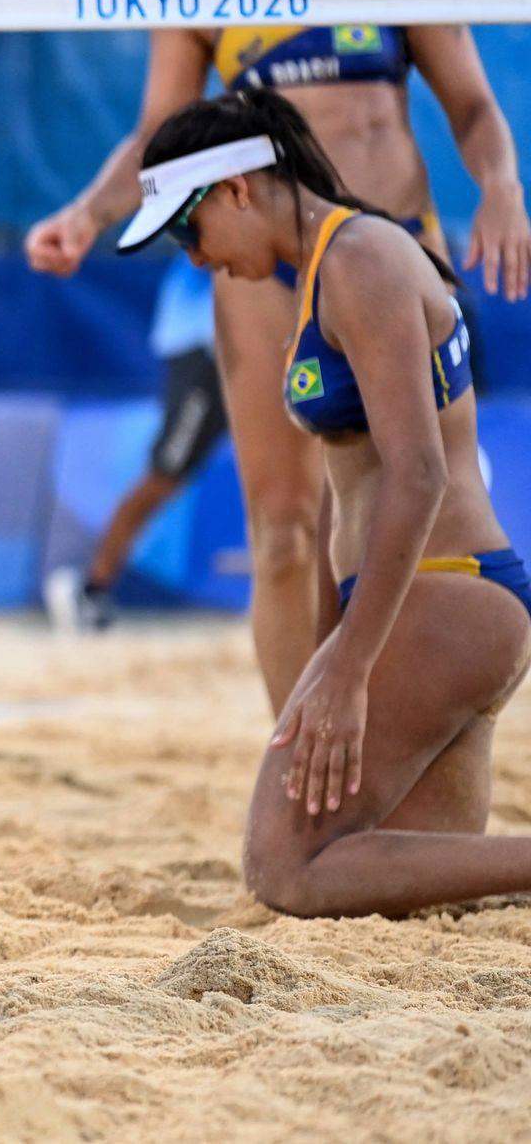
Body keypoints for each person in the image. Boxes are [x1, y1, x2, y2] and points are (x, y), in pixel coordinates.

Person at [24, 0, 530, 710]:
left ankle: (377, 721)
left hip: (385, 258)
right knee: (285, 530)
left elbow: (472, 107)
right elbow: (154, 138)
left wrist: (502, 184)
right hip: (266, 277)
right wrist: (86, 214)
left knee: (390, 512)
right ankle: (296, 762)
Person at [123, 90, 531, 917]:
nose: (192, 258)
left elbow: (418, 475)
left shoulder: (361, 261)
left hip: (444, 593)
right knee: (396, 896)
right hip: (425, 601)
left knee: (285, 869)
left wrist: (345, 669)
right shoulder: (324, 269)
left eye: (186, 230)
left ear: (238, 189)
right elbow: (340, 497)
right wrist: (325, 646)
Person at [44, 257, 226, 632]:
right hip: (204, 350)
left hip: (243, 346)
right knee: (165, 475)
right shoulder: (213, 214)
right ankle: (91, 587)